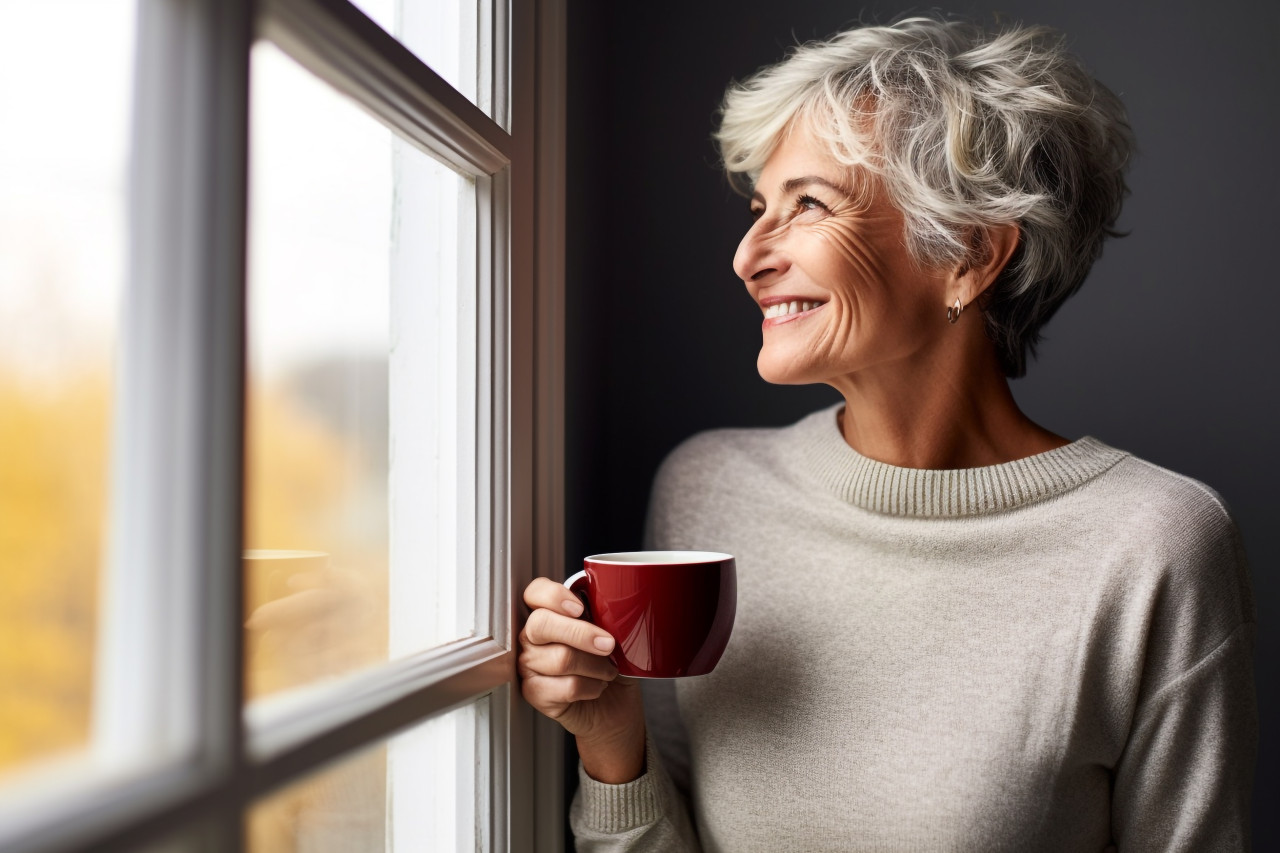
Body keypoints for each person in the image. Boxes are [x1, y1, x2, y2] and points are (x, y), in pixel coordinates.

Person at [519, 16, 1257, 851]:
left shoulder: (1153, 543)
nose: (747, 255)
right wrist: (612, 742)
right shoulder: (707, 487)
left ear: (969, 254)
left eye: (808, 204)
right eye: (761, 206)